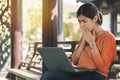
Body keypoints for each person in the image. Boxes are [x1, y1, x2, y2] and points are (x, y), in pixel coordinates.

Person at [40, 2, 116, 80]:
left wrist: (92, 44)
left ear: (95, 18)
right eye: (79, 22)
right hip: (80, 73)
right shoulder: (85, 36)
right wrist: (83, 41)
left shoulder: (108, 37)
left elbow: (103, 68)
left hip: (96, 75)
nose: (81, 25)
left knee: (50, 77)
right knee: (49, 74)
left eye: (84, 21)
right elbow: (74, 61)